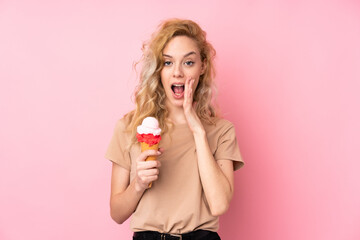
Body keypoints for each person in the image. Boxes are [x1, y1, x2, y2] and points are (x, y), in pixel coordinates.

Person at [105, 18, 244, 240]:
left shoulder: (222, 131)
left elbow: (219, 204)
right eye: (168, 62)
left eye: (188, 62)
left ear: (202, 67)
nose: (177, 72)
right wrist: (138, 184)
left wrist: (198, 131)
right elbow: (117, 213)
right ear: (159, 69)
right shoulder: (129, 128)